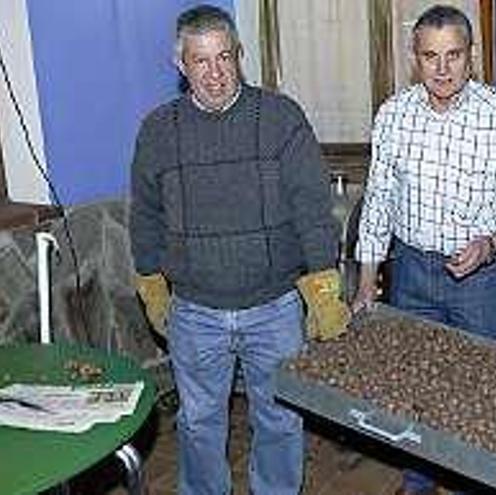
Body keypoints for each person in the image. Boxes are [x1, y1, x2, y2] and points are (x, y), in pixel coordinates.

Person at [129, 5, 349, 494]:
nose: (216, 73)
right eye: (201, 61)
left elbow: (313, 208)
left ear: (239, 56)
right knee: (198, 424)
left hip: (275, 308)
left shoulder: (281, 117)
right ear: (181, 66)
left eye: (224, 57)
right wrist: (151, 283)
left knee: (280, 421)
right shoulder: (157, 131)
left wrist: (322, 285)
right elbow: (144, 215)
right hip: (195, 312)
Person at [353, 5, 496, 494]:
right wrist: (365, 282)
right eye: (430, 56)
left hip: (480, 281)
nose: (442, 69)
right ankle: (418, 481)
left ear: (472, 57)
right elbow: (378, 200)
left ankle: (473, 484)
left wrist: (493, 242)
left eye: (454, 55)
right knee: (415, 388)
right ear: (414, 59)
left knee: (479, 391)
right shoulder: (393, 115)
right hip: (411, 274)